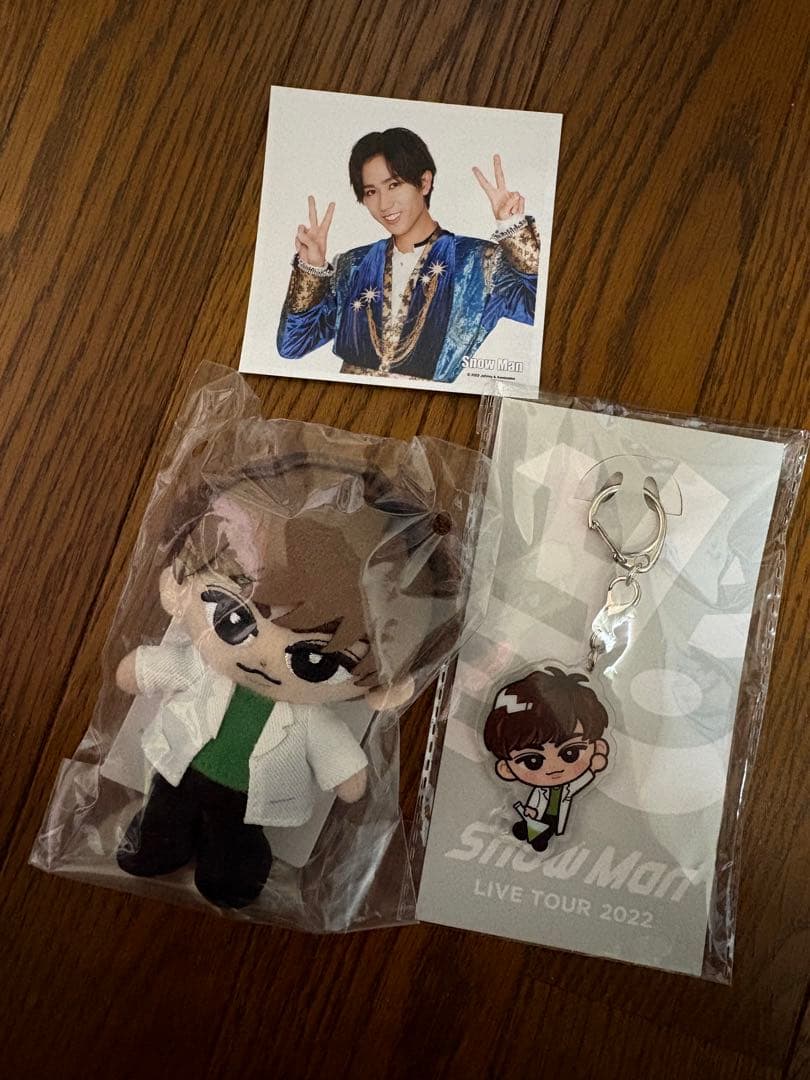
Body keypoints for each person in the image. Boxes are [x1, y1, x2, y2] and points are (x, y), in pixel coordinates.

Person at [115, 443, 466, 909]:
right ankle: (159, 842)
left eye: (315, 661)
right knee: (164, 812)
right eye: (233, 619)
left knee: (233, 844)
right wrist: (140, 668)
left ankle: (228, 871)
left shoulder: (309, 719)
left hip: (245, 803)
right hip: (178, 771)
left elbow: (339, 760)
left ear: (386, 685)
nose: (264, 658)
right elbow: (159, 667)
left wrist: (348, 776)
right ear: (178, 587)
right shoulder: (203, 670)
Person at [277, 127, 540, 382]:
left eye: (394, 185)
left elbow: (536, 309)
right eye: (371, 192)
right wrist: (311, 269)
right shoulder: (353, 265)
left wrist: (513, 228)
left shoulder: (479, 262)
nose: (384, 204)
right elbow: (293, 344)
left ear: (424, 182)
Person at [483, 668, 610, 852]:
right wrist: (531, 811)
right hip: (540, 816)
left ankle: (537, 835)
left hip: (556, 818)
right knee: (535, 826)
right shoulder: (540, 790)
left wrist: (593, 768)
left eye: (570, 753)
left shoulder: (568, 788)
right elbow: (536, 799)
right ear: (506, 768)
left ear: (598, 747)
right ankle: (530, 832)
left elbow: (581, 782)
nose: (553, 768)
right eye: (533, 761)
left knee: (546, 832)